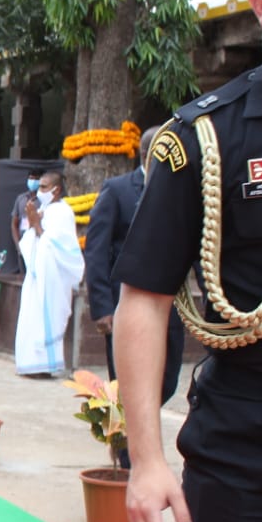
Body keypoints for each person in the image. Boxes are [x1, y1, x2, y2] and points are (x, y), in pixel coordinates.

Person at [114, 0, 262, 522]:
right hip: (244, 453)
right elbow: (144, 297)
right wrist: (145, 459)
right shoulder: (205, 138)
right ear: (261, 3)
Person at [84, 126, 183, 414]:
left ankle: (138, 426)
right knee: (128, 386)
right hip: (125, 304)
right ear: (148, 153)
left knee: (167, 380)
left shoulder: (180, 190)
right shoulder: (118, 190)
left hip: (169, 305)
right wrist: (102, 307)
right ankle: (128, 437)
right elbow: (97, 251)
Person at [14, 170, 83, 376]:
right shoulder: (44, 209)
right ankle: (30, 364)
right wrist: (33, 225)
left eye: (44, 187)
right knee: (31, 319)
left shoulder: (63, 212)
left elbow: (59, 248)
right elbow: (31, 243)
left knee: (46, 320)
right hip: (36, 277)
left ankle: (45, 367)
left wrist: (36, 224)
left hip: (53, 279)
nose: (39, 190)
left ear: (57, 189)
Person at [9, 169, 43, 273]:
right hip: (23, 244)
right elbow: (14, 224)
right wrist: (18, 245)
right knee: (23, 275)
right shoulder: (21, 198)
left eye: (36, 179)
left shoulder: (43, 199)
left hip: (38, 245)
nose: (33, 181)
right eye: (31, 178)